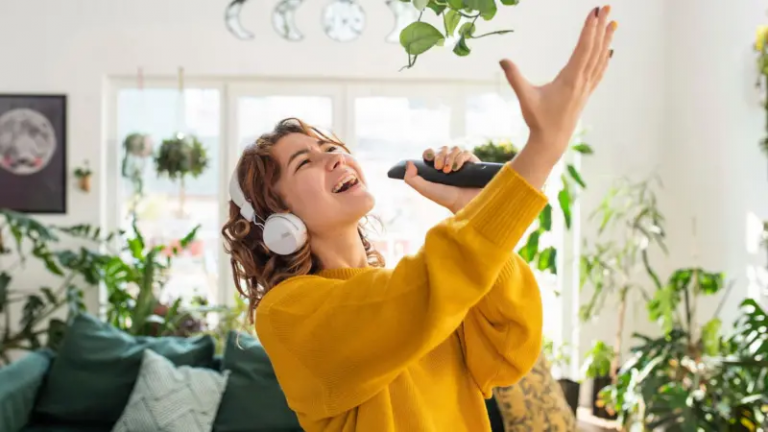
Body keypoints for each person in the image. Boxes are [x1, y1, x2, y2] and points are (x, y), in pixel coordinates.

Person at [222, 6, 617, 431]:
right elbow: (419, 293)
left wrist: (469, 209)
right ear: (278, 219)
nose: (332, 158)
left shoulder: (420, 294)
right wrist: (543, 148)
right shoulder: (287, 314)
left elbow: (511, 351)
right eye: (304, 163)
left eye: (330, 148)